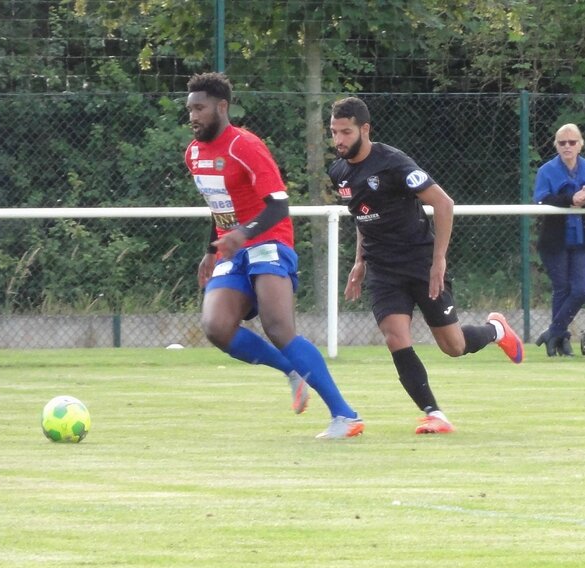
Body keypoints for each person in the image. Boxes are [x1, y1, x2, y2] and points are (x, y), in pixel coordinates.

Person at [327, 97, 524, 435]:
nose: (339, 140)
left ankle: (497, 330)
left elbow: (443, 203)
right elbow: (361, 216)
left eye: (346, 132)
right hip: (382, 269)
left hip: (420, 262)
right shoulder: (339, 172)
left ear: (365, 129)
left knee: (454, 346)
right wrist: (359, 262)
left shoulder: (393, 163)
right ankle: (434, 413)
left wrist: (438, 260)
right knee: (395, 337)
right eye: (334, 132)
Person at [184, 72, 364, 439]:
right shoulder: (194, 153)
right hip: (232, 247)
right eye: (189, 109)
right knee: (216, 328)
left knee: (278, 327)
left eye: (200, 108)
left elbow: (279, 206)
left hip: (268, 240)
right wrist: (211, 248)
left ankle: (346, 416)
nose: (193, 116)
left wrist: (243, 234)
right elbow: (219, 207)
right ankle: (291, 369)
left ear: (222, 107)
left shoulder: (245, 146)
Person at [532, 124, 585, 357]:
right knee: (562, 289)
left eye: (572, 142)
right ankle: (561, 341)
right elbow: (542, 200)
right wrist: (570, 199)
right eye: (562, 143)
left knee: (582, 290)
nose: (567, 146)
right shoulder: (546, 170)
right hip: (555, 239)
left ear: (581, 144)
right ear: (556, 145)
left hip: (583, 238)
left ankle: (553, 332)